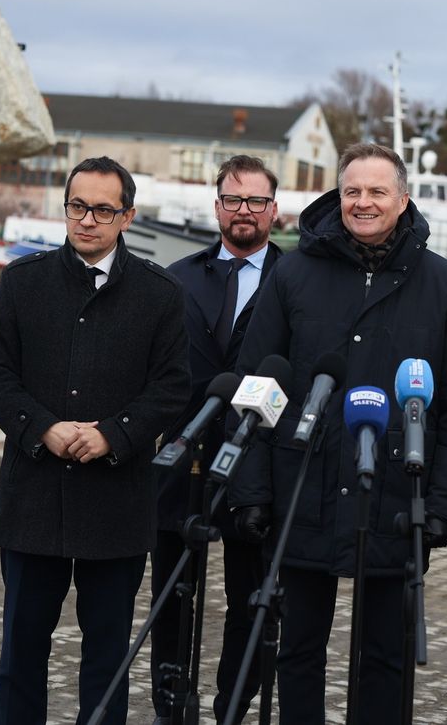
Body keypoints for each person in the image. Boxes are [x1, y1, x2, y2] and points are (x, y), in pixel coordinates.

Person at [227, 142, 447, 725]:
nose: (363, 203)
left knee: (385, 658)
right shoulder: (294, 273)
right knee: (296, 650)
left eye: (376, 192)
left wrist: (443, 505)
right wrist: (252, 491)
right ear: (337, 196)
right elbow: (255, 385)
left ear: (403, 198)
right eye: (352, 192)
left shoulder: (442, 284)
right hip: (302, 492)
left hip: (396, 498)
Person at [0, 155, 191, 725]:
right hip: (33, 499)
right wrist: (42, 426)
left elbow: (172, 388)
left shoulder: (160, 294)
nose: (86, 219)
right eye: (77, 206)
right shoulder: (24, 282)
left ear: (127, 216)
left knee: (106, 657)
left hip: (115, 506)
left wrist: (115, 435)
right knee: (20, 652)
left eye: (102, 209)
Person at [150, 155, 283, 725]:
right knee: (173, 596)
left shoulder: (295, 281)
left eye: (255, 201)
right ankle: (170, 706)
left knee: (252, 600)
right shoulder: (177, 277)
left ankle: (233, 704)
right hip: (185, 459)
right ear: (218, 207)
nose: (244, 211)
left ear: (274, 210)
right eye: (233, 200)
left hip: (261, 464)